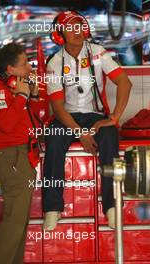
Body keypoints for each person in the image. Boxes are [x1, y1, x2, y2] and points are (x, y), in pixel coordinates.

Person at [43, 11, 132, 230]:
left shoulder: (98, 52)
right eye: (71, 28)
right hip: (67, 117)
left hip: (95, 115)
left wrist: (114, 118)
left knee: (111, 137)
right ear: (60, 34)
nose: (77, 32)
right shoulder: (54, 63)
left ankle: (111, 206)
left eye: (80, 27)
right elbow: (57, 107)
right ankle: (53, 208)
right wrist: (80, 132)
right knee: (53, 138)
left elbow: (124, 83)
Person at [0, 43, 39, 264]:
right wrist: (23, 97)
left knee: (19, 222)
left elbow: (23, 121)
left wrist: (30, 96)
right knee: (14, 221)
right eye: (24, 64)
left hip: (22, 155)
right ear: (10, 69)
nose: (29, 68)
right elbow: (5, 124)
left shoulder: (13, 88)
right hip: (12, 156)